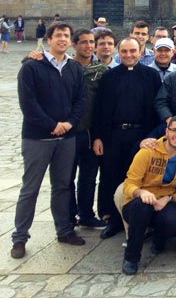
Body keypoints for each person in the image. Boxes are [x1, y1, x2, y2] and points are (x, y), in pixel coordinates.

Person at [11, 23, 87, 259]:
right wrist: (51, 125)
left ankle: (64, 230)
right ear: (49, 39)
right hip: (38, 138)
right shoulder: (32, 67)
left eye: (66, 35)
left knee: (63, 186)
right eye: (59, 36)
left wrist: (69, 123)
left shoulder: (74, 68)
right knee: (30, 188)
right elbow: (28, 104)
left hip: (66, 138)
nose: (63, 39)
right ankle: (20, 237)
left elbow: (80, 100)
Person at [94, 36, 161, 239]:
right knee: (110, 176)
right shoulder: (109, 77)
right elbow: (100, 109)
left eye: (133, 51)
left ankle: (139, 220)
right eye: (124, 52)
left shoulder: (151, 76)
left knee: (139, 178)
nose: (129, 55)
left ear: (141, 52)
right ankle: (113, 220)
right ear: (118, 53)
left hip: (142, 134)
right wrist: (98, 137)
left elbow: (155, 108)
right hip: (114, 135)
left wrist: (154, 137)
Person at [117, 115, 176, 275]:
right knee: (142, 207)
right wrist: (141, 192)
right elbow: (129, 183)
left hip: (164, 202)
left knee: (172, 221)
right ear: (167, 131)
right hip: (138, 203)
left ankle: (159, 240)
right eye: (174, 130)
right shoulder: (147, 152)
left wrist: (169, 198)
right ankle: (131, 257)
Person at [69, 29, 109, 229]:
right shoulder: (65, 67)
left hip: (91, 132)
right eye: (83, 42)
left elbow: (104, 105)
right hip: (68, 132)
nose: (88, 46)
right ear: (74, 44)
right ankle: (68, 217)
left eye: (91, 42)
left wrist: (99, 135)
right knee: (66, 179)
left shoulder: (101, 70)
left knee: (88, 177)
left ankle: (85, 214)